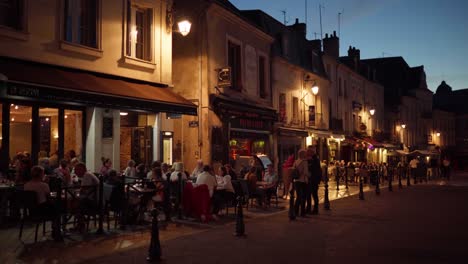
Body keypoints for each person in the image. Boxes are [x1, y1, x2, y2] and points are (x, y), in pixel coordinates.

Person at [24, 166, 62, 240]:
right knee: (57, 209)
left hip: (32, 211)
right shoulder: (44, 185)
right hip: (42, 210)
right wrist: (56, 193)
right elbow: (49, 197)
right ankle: (56, 232)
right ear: (41, 174)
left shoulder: (26, 185)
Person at [293, 149, 309, 217]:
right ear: (303, 154)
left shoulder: (296, 162)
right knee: (303, 197)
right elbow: (306, 172)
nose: (306, 155)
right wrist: (309, 175)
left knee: (298, 197)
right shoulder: (304, 162)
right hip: (303, 181)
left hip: (296, 181)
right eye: (305, 154)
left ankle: (295, 211)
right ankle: (302, 212)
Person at [305, 146, 321, 215]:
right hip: (311, 179)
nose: (307, 152)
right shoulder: (311, 158)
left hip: (313, 180)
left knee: (314, 195)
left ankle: (315, 209)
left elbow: (316, 170)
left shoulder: (315, 159)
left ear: (312, 152)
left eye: (308, 151)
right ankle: (309, 208)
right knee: (309, 194)